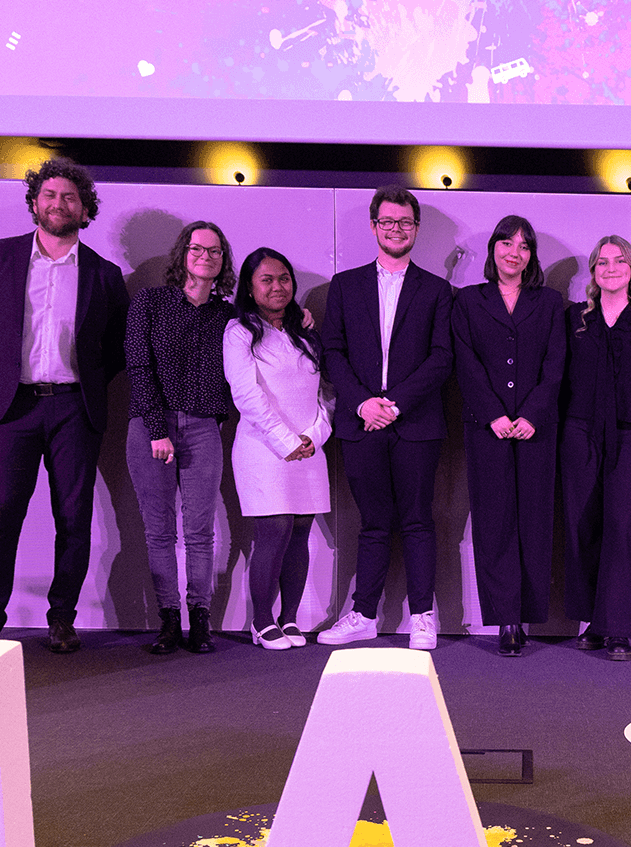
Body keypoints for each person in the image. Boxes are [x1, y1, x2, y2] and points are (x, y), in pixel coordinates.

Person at [0, 157, 129, 653]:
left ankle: (62, 619)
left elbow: (116, 347)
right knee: (2, 515)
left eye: (70, 198)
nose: (59, 203)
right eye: (50, 195)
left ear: (84, 209)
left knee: (73, 519)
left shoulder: (104, 274)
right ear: (35, 201)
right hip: (12, 408)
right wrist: (5, 375)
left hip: (75, 409)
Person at [317, 186, 454, 650]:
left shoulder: (437, 290)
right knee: (372, 522)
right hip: (360, 424)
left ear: (416, 229)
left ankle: (422, 616)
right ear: (374, 226)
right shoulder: (345, 285)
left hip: (415, 424)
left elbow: (441, 358)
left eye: (405, 222)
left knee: (418, 520)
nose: (397, 229)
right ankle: (363, 614)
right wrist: (362, 403)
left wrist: (393, 404)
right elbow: (332, 352)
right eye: (388, 222)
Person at [452, 215, 565, 656]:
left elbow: (556, 365)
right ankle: (505, 620)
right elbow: (466, 362)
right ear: (493, 249)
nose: (513, 252)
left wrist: (534, 413)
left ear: (531, 256)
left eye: (523, 246)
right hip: (488, 429)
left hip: (537, 430)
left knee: (534, 523)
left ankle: (527, 615)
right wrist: (493, 414)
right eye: (506, 243)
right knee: (494, 523)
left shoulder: (550, 302)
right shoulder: (468, 302)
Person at [123, 221, 238, 654]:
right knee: (158, 532)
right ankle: (169, 619)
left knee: (200, 532)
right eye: (197, 248)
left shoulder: (228, 316)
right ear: (182, 254)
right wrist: (158, 429)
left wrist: (301, 317)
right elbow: (139, 366)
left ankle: (200, 619)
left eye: (215, 251)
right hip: (151, 428)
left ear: (223, 260)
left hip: (204, 427)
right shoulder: (150, 303)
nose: (205, 256)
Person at [562, 235, 631, 662]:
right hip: (579, 435)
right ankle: (593, 620)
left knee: (621, 531)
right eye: (602, 262)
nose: (610, 268)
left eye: (618, 261)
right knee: (584, 528)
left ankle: (618, 629)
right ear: (593, 272)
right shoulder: (576, 320)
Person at [223, 248, 334, 649]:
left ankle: (290, 620)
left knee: (301, 530)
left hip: (308, 448)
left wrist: (316, 435)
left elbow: (326, 392)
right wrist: (287, 441)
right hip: (263, 450)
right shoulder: (238, 333)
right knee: (273, 529)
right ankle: (262, 621)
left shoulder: (305, 333)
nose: (277, 286)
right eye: (266, 279)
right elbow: (247, 394)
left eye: (284, 278)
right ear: (250, 288)